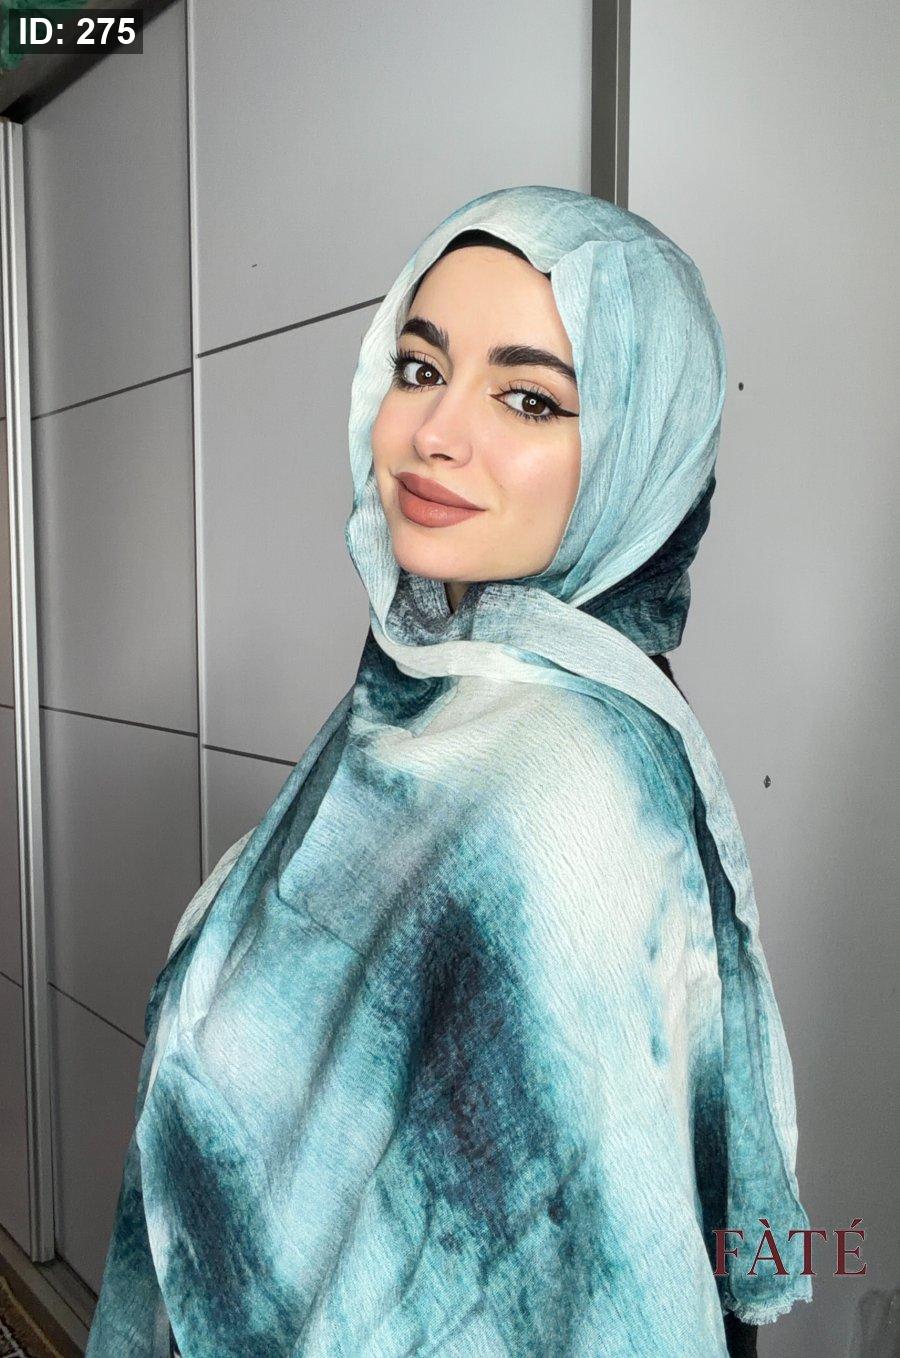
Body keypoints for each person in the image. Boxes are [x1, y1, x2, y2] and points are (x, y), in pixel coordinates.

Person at [85, 185, 812, 1357]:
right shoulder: (420, 688)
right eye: (420, 368)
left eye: (528, 397)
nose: (435, 431)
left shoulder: (571, 791)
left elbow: (577, 1281)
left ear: (638, 449)